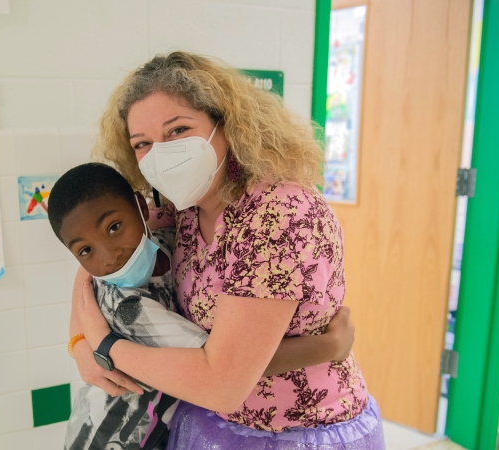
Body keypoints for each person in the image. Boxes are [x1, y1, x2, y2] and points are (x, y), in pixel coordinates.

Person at [71, 52, 385, 449]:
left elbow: (223, 383)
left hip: (301, 433)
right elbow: (99, 256)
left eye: (178, 130)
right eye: (142, 143)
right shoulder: (183, 207)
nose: (162, 154)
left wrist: (106, 347)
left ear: (227, 126)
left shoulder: (276, 214)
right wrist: (79, 345)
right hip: (215, 421)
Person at [52, 163, 356, 449]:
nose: (108, 257)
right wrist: (329, 347)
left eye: (115, 227)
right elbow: (225, 365)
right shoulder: (129, 308)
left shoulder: (169, 238)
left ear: (142, 208)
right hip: (111, 438)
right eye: (86, 250)